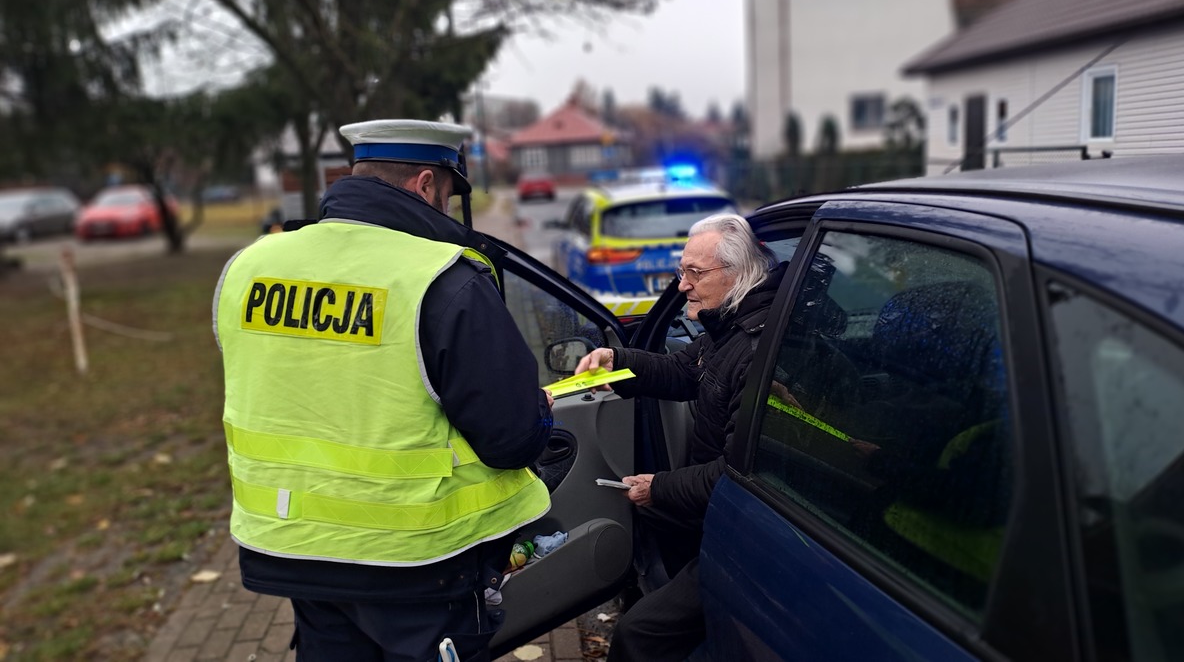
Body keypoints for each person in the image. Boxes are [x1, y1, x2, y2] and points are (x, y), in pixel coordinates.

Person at [212, 119, 555, 662]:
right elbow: (511, 439)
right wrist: (540, 411)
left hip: (294, 548)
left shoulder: (249, 266)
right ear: (425, 184)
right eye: (447, 194)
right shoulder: (444, 278)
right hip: (418, 567)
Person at [573, 212, 782, 661]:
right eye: (681, 271)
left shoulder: (755, 349)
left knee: (638, 634)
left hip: (739, 531)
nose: (682, 285)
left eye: (693, 273)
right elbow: (684, 371)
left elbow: (735, 475)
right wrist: (618, 360)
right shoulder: (728, 328)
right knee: (648, 522)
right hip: (711, 509)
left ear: (737, 273)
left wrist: (661, 487)